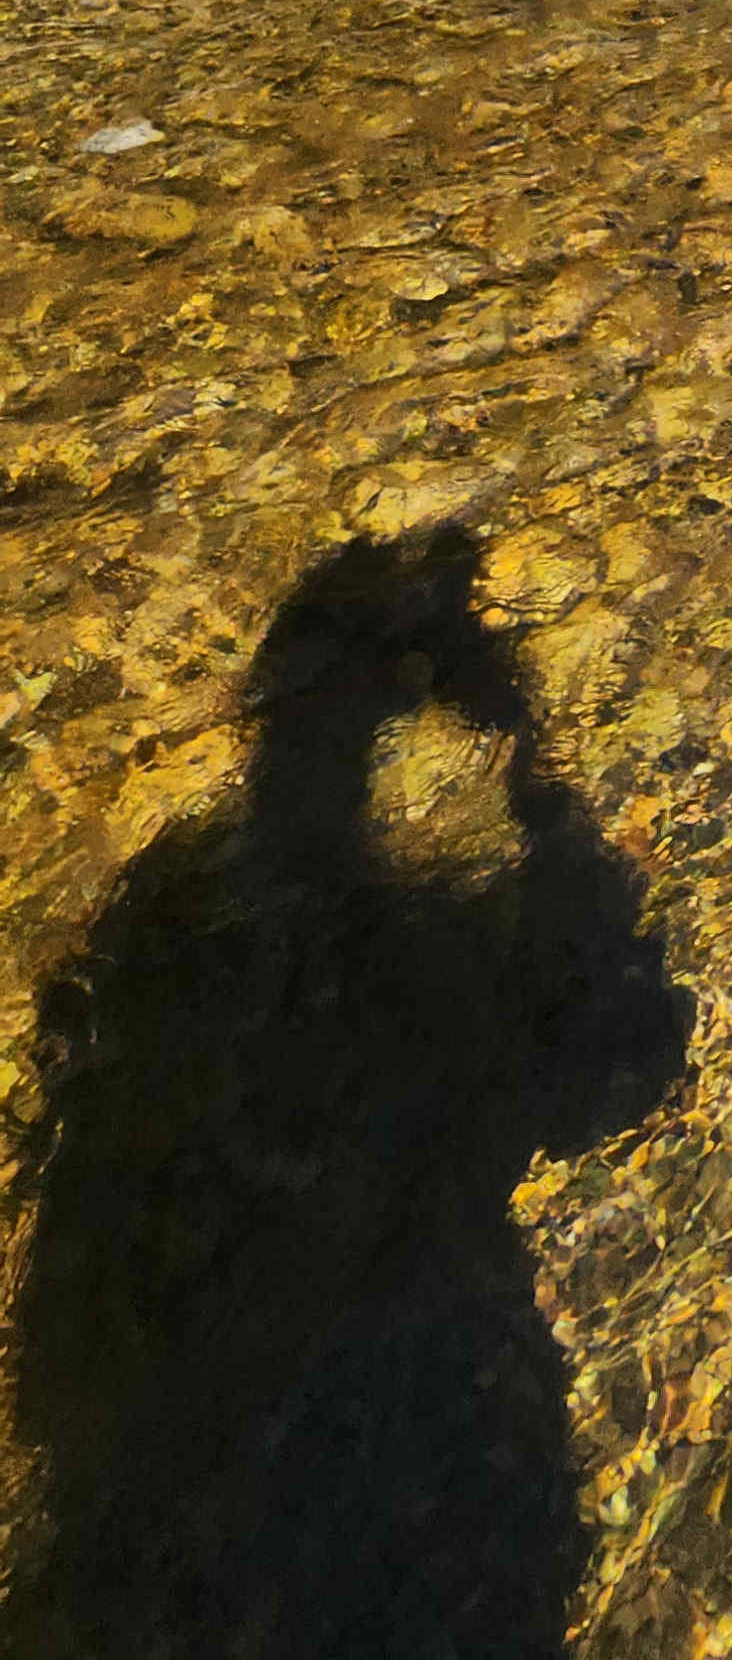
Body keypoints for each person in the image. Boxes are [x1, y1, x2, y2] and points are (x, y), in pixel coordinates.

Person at [5, 525, 691, 1660]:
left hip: (148, 1533)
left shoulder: (168, 927)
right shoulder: (450, 966)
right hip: (431, 1489)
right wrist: (536, 776)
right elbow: (628, 1052)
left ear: (262, 717)